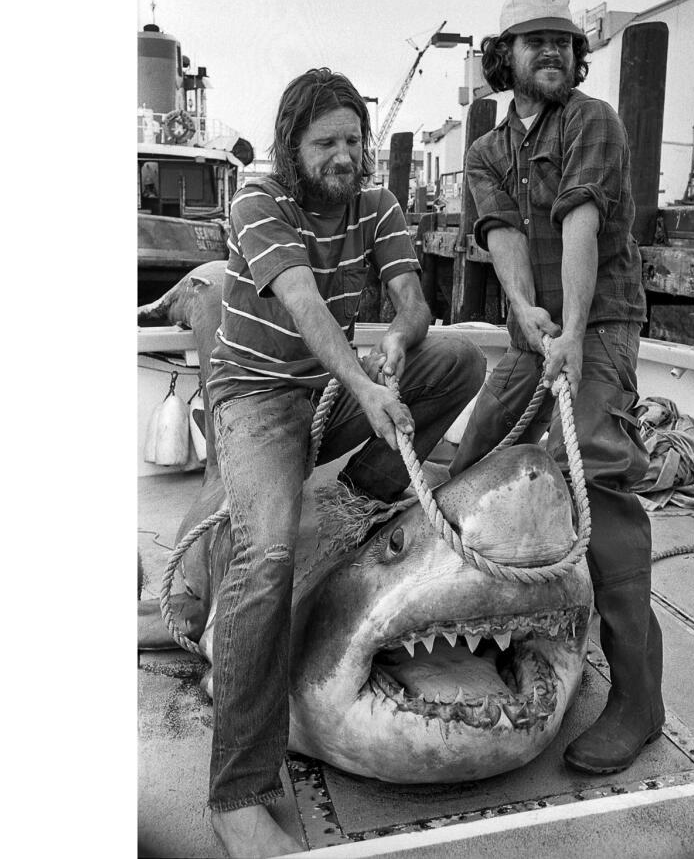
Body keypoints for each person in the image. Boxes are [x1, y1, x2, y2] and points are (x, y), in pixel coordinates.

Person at [204, 68, 485, 857]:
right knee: (268, 557)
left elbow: (412, 297)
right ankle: (239, 794)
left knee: (459, 363)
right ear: (293, 146)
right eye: (327, 141)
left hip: (335, 384)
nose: (345, 154)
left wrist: (399, 337)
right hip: (259, 395)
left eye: (354, 140)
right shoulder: (258, 202)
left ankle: (365, 491)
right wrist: (361, 383)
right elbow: (301, 301)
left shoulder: (380, 204)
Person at [447, 0, 666, 776]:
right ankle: (482, 626)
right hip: (532, 336)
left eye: (562, 41)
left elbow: (581, 221)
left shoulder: (593, 123)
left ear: (578, 55)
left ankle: (640, 700)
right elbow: (502, 234)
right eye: (533, 41)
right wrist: (529, 318)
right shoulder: (485, 151)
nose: (551, 52)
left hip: (599, 327)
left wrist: (571, 332)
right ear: (506, 58)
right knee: (471, 461)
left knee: (599, 480)